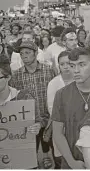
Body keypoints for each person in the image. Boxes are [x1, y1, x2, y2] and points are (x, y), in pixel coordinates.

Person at [9, 41, 55, 169]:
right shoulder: (17, 75)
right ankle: (33, 162)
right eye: (22, 53)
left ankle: (46, 156)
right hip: (28, 120)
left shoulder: (49, 71)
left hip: (47, 116)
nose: (24, 56)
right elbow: (14, 98)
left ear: (36, 53)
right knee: (30, 148)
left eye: (28, 53)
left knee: (49, 142)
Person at [52, 47, 90, 169]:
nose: (76, 70)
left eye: (82, 65)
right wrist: (72, 162)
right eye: (72, 66)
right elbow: (57, 133)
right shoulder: (61, 94)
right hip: (73, 160)